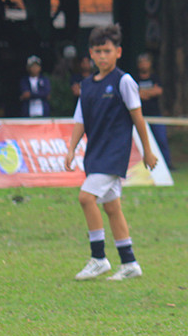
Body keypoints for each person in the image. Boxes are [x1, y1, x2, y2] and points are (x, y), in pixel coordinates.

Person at [65, 24, 157, 282]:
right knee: (112, 206)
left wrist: (147, 151)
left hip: (114, 155)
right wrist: (71, 148)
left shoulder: (124, 81)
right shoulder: (87, 85)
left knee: (86, 198)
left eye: (107, 51)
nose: (102, 56)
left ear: (118, 52)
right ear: (90, 54)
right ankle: (129, 262)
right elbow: (80, 120)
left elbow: (138, 118)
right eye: (97, 51)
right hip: (95, 152)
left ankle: (98, 258)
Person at [135, 52, 171, 169]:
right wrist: (150, 92)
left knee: (161, 140)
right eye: (142, 62)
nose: (144, 65)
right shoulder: (134, 79)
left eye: (146, 62)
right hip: (139, 116)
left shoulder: (155, 77)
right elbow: (135, 94)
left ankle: (166, 164)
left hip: (155, 115)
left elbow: (158, 91)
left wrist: (142, 93)